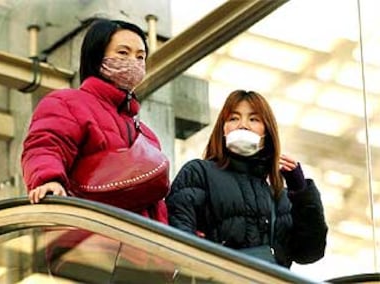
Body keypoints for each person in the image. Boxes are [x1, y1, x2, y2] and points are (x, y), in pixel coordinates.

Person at [21, 19, 169, 224]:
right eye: (123, 53)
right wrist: (48, 181)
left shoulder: (147, 135)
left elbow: (156, 204)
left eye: (140, 56)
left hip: (142, 247)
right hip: (87, 242)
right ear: (97, 55)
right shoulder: (67, 103)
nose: (133, 62)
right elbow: (46, 145)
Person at [166, 90, 328, 268]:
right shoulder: (199, 173)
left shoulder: (278, 195)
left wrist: (301, 192)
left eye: (254, 119)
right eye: (233, 118)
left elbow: (309, 252)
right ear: (223, 129)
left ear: (267, 132)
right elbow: (179, 236)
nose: (243, 125)